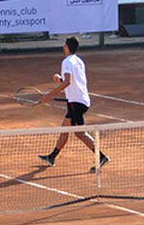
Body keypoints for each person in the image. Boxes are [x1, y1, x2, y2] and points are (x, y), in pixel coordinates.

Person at [38, 36, 109, 170]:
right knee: (65, 129)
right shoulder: (79, 61)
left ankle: (101, 157)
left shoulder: (66, 62)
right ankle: (52, 157)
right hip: (79, 101)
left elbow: (68, 82)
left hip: (76, 103)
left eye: (64, 45)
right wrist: (60, 80)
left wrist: (49, 95)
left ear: (66, 47)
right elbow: (73, 82)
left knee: (80, 133)